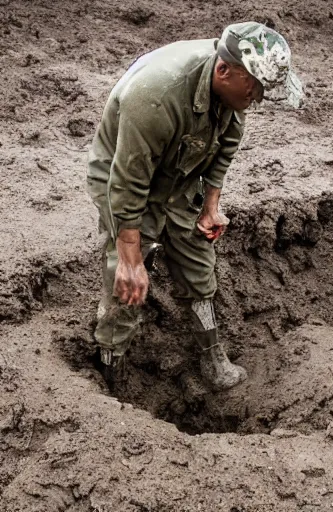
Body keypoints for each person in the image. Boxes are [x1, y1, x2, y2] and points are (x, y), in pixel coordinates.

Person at [86, 22, 303, 390]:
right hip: (125, 180)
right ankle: (112, 365)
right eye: (256, 90)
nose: (259, 99)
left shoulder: (233, 87)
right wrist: (129, 256)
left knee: (200, 266)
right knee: (128, 283)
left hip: (179, 175)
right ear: (224, 72)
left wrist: (211, 206)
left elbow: (228, 139)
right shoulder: (157, 96)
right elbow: (127, 183)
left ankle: (211, 353)